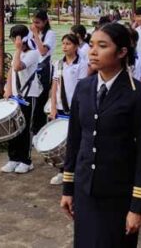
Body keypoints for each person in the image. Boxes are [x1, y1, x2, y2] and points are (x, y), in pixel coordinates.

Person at [61, 23, 141, 248]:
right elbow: (74, 140)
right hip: (85, 190)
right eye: (91, 45)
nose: (92, 51)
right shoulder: (84, 87)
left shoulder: (137, 95)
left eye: (102, 46)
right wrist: (68, 188)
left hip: (117, 195)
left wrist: (137, 207)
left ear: (122, 52)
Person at [48, 34, 89, 185]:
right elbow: (54, 87)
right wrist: (53, 107)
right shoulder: (58, 64)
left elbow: (81, 88)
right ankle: (62, 171)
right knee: (61, 141)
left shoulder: (82, 64)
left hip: (75, 109)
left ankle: (76, 172)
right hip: (60, 108)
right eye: (63, 43)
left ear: (76, 46)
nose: (65, 46)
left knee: (76, 142)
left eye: (69, 44)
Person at [3, 25, 43, 174]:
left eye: (16, 38)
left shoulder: (33, 54)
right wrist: (8, 89)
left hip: (28, 95)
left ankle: (26, 161)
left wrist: (19, 49)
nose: (14, 41)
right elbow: (11, 71)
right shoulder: (17, 53)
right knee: (12, 128)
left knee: (25, 128)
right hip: (15, 95)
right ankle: (13, 158)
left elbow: (18, 67)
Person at [28, 9, 56, 135]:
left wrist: (35, 35)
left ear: (45, 22)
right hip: (32, 68)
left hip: (43, 69)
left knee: (41, 100)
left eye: (38, 23)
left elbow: (43, 51)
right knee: (32, 100)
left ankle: (39, 130)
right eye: (34, 22)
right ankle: (32, 129)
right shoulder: (32, 33)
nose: (35, 25)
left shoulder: (50, 34)